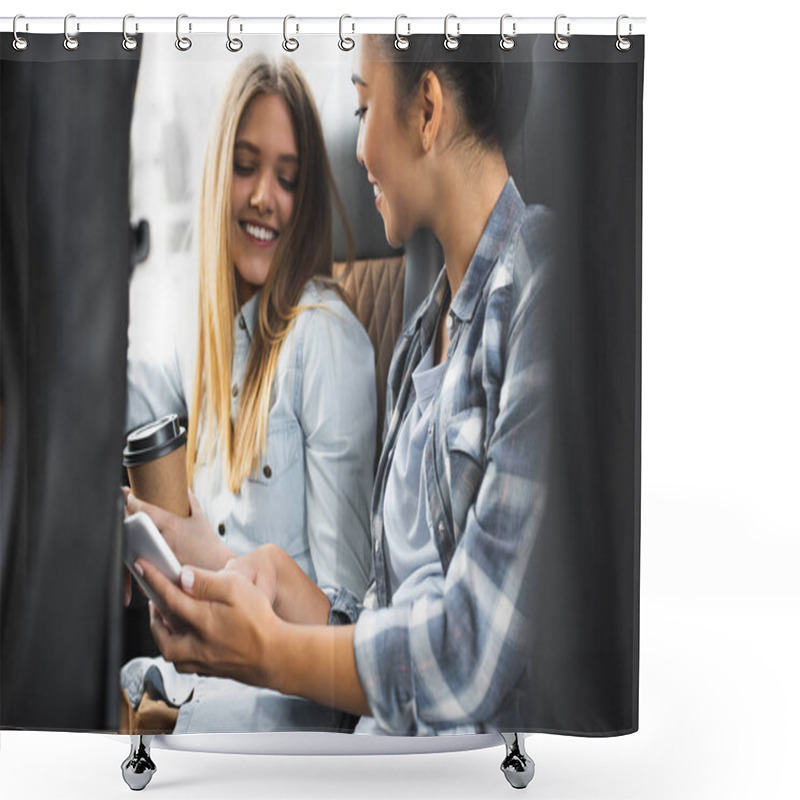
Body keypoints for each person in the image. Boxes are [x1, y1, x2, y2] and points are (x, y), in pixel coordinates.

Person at [137, 34, 553, 735]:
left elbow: (469, 655)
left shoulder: (541, 288)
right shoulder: (422, 339)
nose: (357, 151)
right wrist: (255, 573)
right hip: (375, 751)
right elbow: (378, 626)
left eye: (363, 110)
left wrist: (268, 654)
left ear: (426, 109)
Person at [121, 55, 376, 734]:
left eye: (287, 179)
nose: (265, 195)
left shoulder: (327, 343)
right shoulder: (195, 330)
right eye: (245, 166)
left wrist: (213, 560)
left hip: (281, 733)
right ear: (216, 179)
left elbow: (347, 624)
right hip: (182, 704)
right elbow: (112, 405)